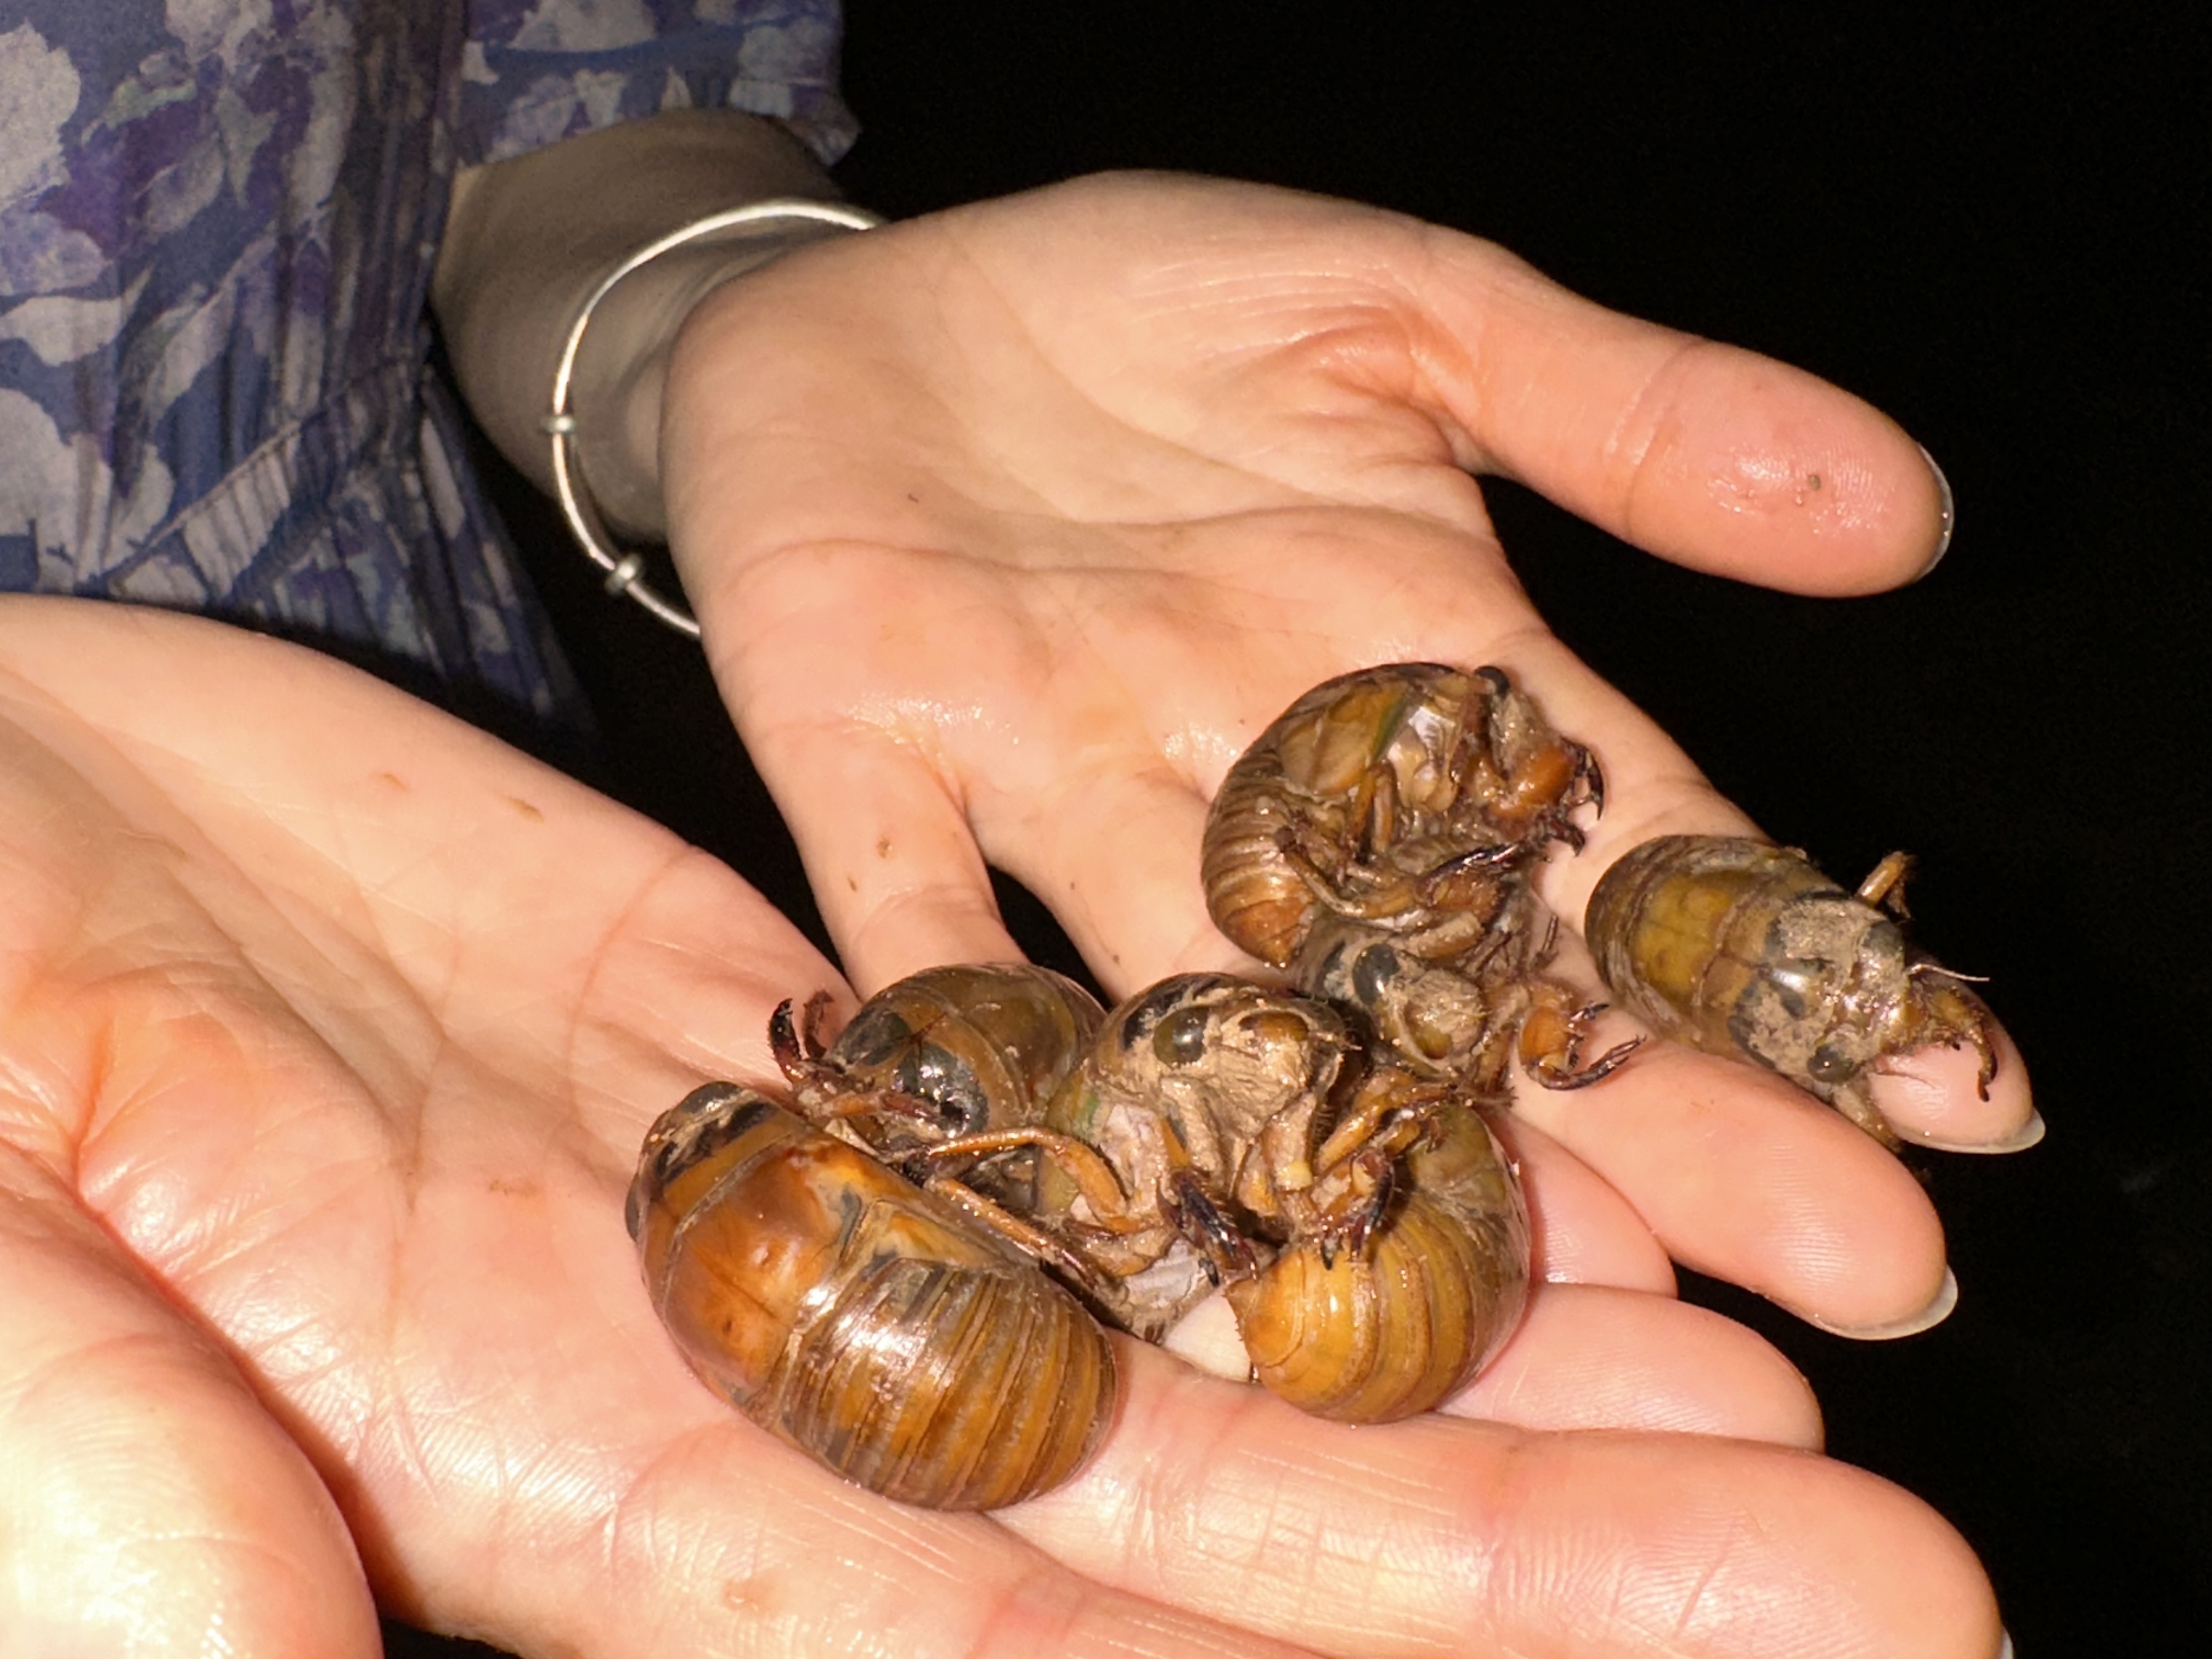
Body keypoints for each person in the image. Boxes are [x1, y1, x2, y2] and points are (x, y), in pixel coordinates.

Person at [0, 6, 2034, 1655]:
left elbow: (554, 95)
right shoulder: (1079, 1154)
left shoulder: (1066, 1129)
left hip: (385, 732)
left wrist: (714, 316)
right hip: (354, 835)